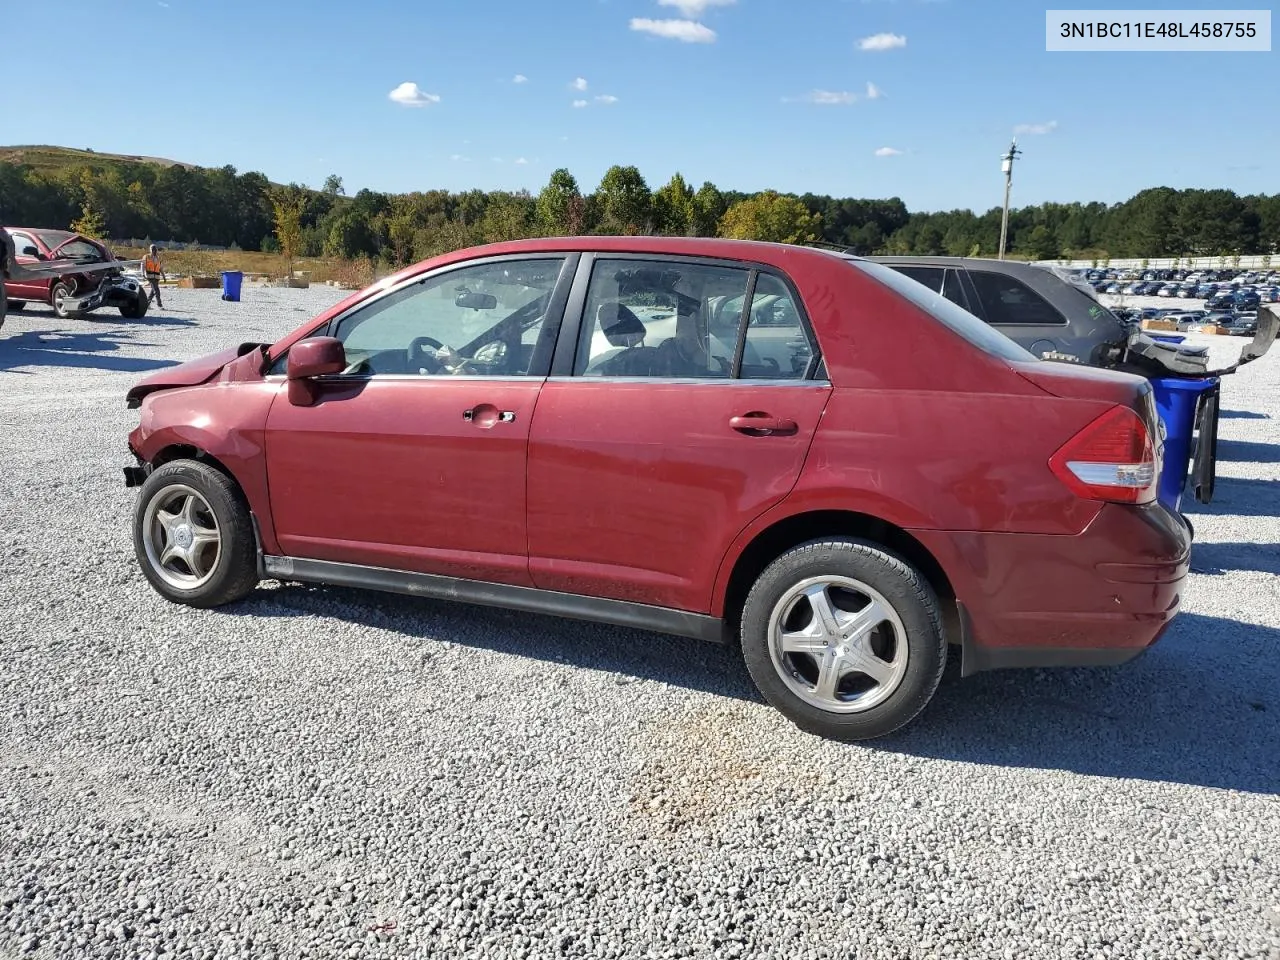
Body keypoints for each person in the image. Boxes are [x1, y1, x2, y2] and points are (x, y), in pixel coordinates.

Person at [143, 244, 166, 308]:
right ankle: (159, 305)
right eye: (153, 249)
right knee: (157, 290)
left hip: (156, 277)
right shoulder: (146, 256)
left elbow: (160, 268)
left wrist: (164, 276)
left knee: (153, 291)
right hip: (150, 276)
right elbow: (143, 265)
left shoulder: (158, 258)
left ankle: (147, 304)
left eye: (155, 249)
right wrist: (143, 273)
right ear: (150, 250)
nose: (154, 251)